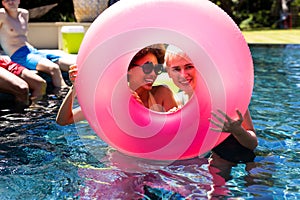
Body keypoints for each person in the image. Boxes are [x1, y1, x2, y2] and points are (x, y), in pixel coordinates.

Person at [164, 45, 258, 163]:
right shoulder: (178, 103)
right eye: (176, 69)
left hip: (242, 155)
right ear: (168, 72)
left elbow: (253, 144)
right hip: (212, 160)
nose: (183, 74)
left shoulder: (227, 99)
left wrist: (237, 130)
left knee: (254, 173)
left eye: (189, 67)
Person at [56, 44, 177, 125]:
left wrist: (141, 112)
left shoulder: (162, 94)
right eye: (147, 68)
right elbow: (63, 120)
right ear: (128, 68)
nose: (153, 74)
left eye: (157, 69)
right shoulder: (113, 100)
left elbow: (176, 129)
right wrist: (75, 87)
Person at [0, 0, 73, 88]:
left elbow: (22, 36)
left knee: (72, 66)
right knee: (53, 68)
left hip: (32, 51)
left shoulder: (24, 13)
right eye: (6, 0)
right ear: (3, 3)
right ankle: (62, 93)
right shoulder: (2, 15)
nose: (10, 2)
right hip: (18, 55)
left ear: (19, 1)